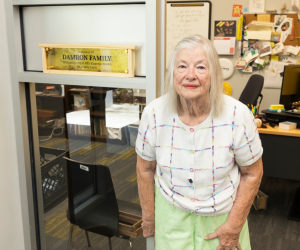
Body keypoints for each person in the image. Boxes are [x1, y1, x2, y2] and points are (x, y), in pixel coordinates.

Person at [136, 35, 263, 250]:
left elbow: (252, 173)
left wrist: (233, 228)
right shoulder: (154, 114)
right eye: (182, 66)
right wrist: (149, 218)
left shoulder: (238, 115)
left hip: (222, 219)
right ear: (172, 74)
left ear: (214, 74)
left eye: (201, 67)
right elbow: (145, 168)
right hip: (170, 217)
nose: (190, 75)